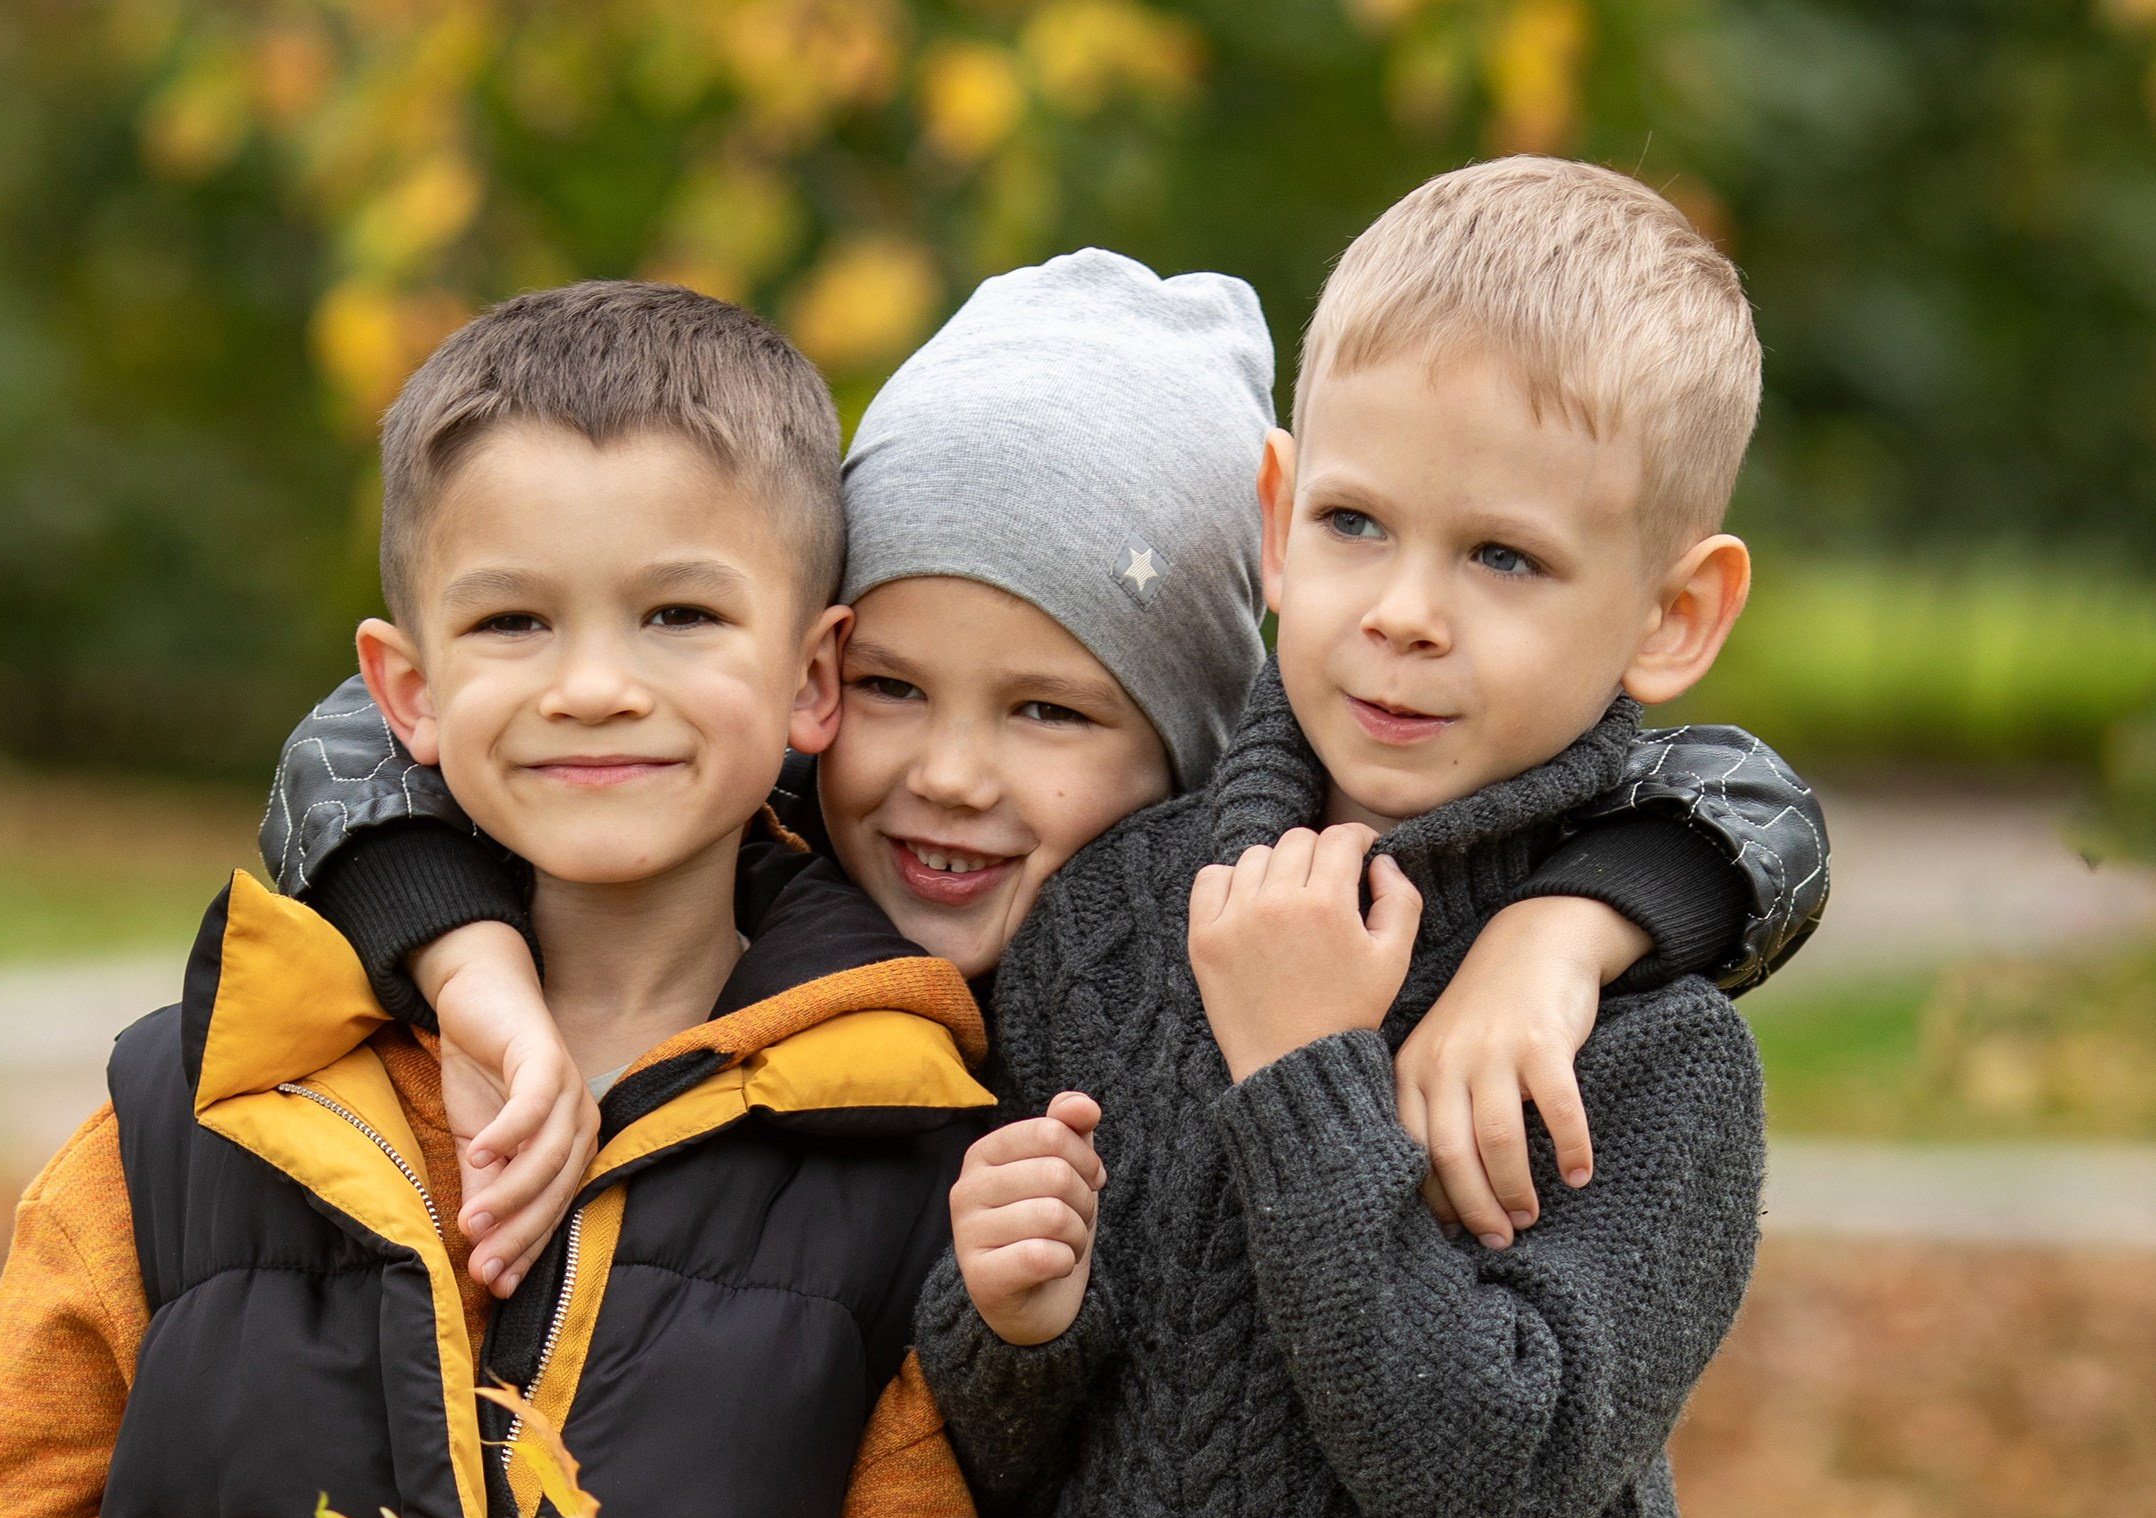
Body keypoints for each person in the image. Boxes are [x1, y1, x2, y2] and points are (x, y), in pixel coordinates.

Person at [250, 248, 1824, 1321]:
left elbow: (1737, 792)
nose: (948, 775)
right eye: (889, 689)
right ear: (810, 672)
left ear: (1201, 745)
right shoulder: (746, 841)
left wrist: (1568, 929)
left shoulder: (1229, 915)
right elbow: (369, 734)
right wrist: (470, 963)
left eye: (1054, 713)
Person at [0, 284, 1005, 1518]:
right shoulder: (209, 1105)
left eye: (678, 615)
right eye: (513, 625)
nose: (594, 685)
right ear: (404, 692)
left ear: (812, 677)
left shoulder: (895, 1150)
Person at [928, 157, 1782, 1518]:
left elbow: (1491, 1503)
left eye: (1502, 555)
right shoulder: (1107, 920)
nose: (1402, 610)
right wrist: (1011, 1324)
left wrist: (1305, 1077)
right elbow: (1001, 1481)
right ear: (1275, 518)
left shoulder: (1655, 1056)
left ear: (1674, 613)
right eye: (1355, 524)